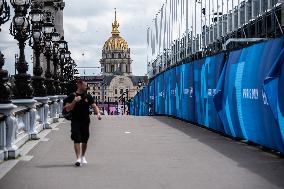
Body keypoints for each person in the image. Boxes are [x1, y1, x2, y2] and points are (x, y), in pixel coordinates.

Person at [63, 80, 101, 167]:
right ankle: (78, 159)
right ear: (79, 85)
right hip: (75, 121)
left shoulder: (88, 96)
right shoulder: (72, 96)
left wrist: (98, 113)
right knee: (76, 138)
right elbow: (67, 109)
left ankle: (83, 156)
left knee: (84, 140)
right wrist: (74, 101)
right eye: (85, 85)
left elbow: (94, 106)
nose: (86, 87)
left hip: (85, 121)